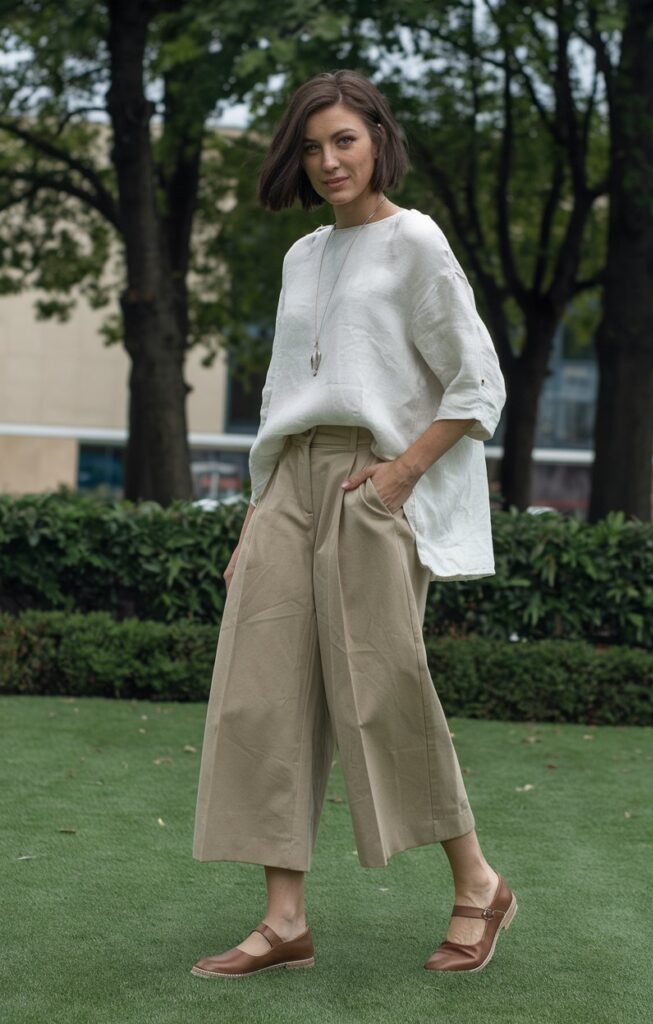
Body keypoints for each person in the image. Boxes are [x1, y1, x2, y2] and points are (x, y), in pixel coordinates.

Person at [191, 69, 515, 979]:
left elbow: (477, 384)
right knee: (261, 689)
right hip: (290, 482)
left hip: (375, 482)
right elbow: (279, 393)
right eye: (311, 145)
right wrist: (257, 514)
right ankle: (282, 919)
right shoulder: (302, 256)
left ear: (377, 138)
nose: (328, 160)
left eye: (344, 139)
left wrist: (400, 478)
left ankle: (478, 886)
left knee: (381, 689)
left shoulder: (415, 242)